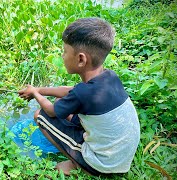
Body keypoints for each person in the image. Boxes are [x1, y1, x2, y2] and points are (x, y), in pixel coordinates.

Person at [18, 17, 140, 176]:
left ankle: (78, 163)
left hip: (104, 164)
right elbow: (70, 91)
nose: (62, 56)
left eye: (65, 52)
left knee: (40, 116)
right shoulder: (109, 76)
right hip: (120, 154)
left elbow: (50, 111)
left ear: (81, 59)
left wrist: (34, 93)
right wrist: (39, 89)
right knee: (63, 103)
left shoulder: (83, 94)